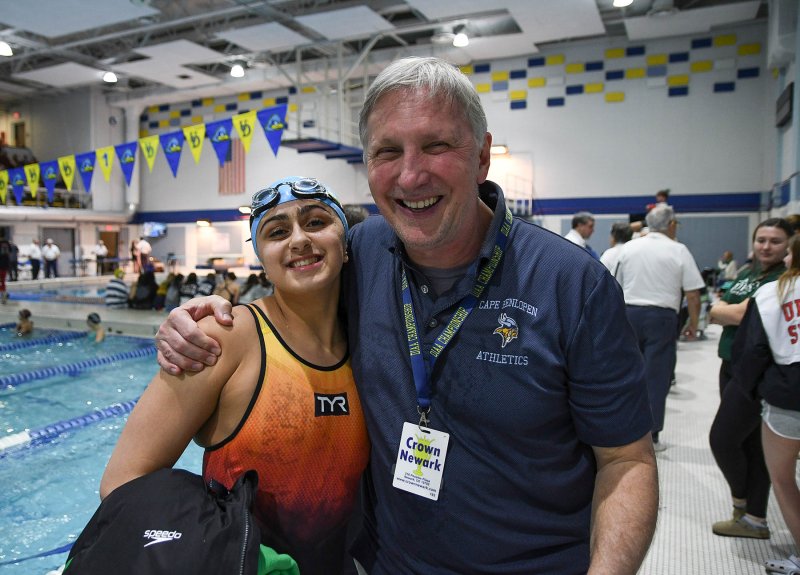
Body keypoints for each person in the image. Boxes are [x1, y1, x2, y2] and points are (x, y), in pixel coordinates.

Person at [154, 57, 658, 575]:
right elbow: (286, 303)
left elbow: (626, 462)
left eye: (436, 146)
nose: (411, 175)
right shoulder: (360, 253)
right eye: (388, 152)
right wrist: (194, 318)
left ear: (482, 156)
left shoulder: (569, 282)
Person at [100, 176, 368, 575]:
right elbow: (123, 484)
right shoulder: (223, 337)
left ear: (345, 245)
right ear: (261, 257)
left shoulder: (370, 343)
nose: (298, 239)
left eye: (315, 222)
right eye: (277, 231)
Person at [708, 217, 793, 539]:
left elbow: (737, 313)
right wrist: (724, 311)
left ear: (789, 245)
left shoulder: (783, 279)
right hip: (730, 361)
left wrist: (723, 312)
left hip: (755, 371)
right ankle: (754, 518)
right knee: (752, 444)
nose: (766, 246)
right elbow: (720, 307)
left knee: (722, 439)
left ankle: (742, 502)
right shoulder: (747, 273)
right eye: (761, 240)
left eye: (775, 241)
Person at [729, 234, 800, 573]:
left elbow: (751, 351)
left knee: (784, 479)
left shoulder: (773, 293)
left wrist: (753, 391)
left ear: (791, 254)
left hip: (788, 392)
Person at [614, 204, 705, 451]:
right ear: (671, 224)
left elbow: (614, 286)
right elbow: (693, 294)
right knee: (657, 375)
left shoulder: (629, 248)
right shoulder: (678, 250)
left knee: (624, 372)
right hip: (661, 318)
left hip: (629, 314)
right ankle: (651, 436)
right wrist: (693, 325)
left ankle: (620, 427)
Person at [0, 235, 9, 304]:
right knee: (2, 281)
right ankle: (3, 294)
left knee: (2, 281)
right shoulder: (7, 246)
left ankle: (3, 294)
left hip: (2, 266)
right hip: (4, 267)